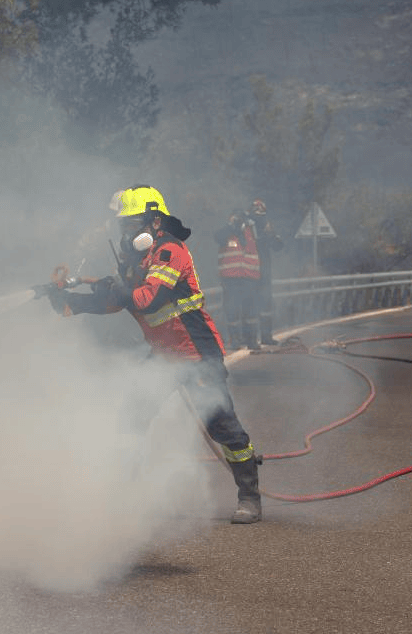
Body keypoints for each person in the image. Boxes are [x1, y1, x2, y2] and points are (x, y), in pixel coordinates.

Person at [37, 186, 263, 523]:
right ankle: (124, 497)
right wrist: (71, 302)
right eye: (123, 227)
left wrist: (116, 286)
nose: (126, 233)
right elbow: (115, 301)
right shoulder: (137, 260)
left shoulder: (171, 252)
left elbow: (148, 299)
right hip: (162, 355)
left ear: (155, 222)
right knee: (132, 418)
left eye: (132, 225)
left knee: (222, 427)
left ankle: (249, 497)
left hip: (195, 352)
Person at [214, 208, 262, 351]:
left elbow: (262, 243)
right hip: (231, 279)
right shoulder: (226, 233)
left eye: (240, 218)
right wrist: (231, 226)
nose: (239, 220)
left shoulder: (252, 233)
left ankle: (251, 341)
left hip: (250, 278)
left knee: (251, 312)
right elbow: (217, 237)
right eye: (236, 218)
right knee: (232, 310)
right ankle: (235, 340)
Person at [247, 198, 284, 345]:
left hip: (264, 271)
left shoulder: (267, 227)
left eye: (261, 213)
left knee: (266, 305)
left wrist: (271, 235)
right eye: (257, 212)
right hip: (250, 271)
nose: (259, 217)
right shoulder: (247, 227)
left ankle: (266, 336)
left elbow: (278, 246)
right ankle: (250, 339)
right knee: (251, 305)